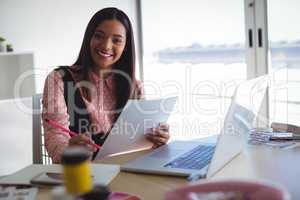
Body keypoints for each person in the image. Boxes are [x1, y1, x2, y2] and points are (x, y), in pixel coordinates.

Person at [42, 7, 170, 163]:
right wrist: (69, 149)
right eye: (99, 36)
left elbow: (140, 144)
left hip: (126, 171)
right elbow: (54, 135)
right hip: (83, 172)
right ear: (89, 38)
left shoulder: (135, 86)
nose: (106, 46)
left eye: (116, 40)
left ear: (125, 46)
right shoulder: (58, 79)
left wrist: (156, 140)